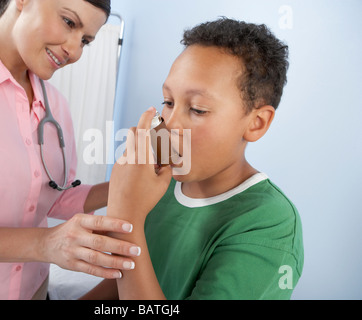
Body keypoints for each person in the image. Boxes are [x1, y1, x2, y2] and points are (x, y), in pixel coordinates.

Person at [0, 0, 141, 300]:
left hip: (34, 290)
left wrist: (131, 182)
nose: (74, 50)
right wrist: (45, 244)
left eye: (85, 40)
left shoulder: (55, 105)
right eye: (69, 23)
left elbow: (55, 195)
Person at [82, 18, 304, 300]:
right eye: (168, 102)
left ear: (256, 123)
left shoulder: (269, 224)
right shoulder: (161, 188)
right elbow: (123, 282)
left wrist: (127, 220)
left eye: (198, 109)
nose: (169, 124)